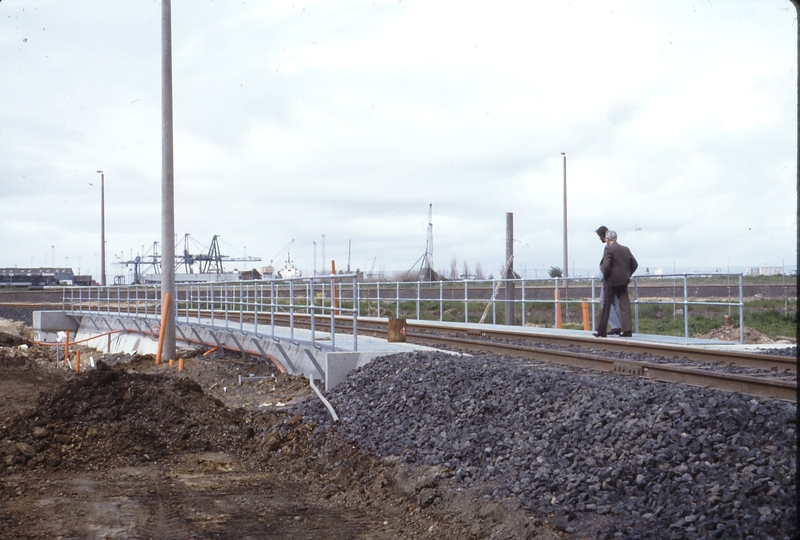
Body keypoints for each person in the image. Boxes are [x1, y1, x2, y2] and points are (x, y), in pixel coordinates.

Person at [594, 230, 638, 338]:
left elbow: (606, 265)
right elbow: (635, 264)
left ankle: (601, 331)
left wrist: (606, 276)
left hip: (611, 282)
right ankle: (627, 330)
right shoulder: (625, 249)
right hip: (623, 281)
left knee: (606, 305)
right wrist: (627, 274)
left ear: (608, 239)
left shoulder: (609, 248)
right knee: (624, 306)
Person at [594, 226, 622, 335]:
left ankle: (616, 326)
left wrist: (602, 277)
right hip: (616, 279)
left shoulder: (608, 248)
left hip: (608, 280)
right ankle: (619, 326)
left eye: (599, 236)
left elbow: (606, 265)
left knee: (603, 301)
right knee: (615, 303)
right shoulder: (617, 247)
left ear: (603, 235)